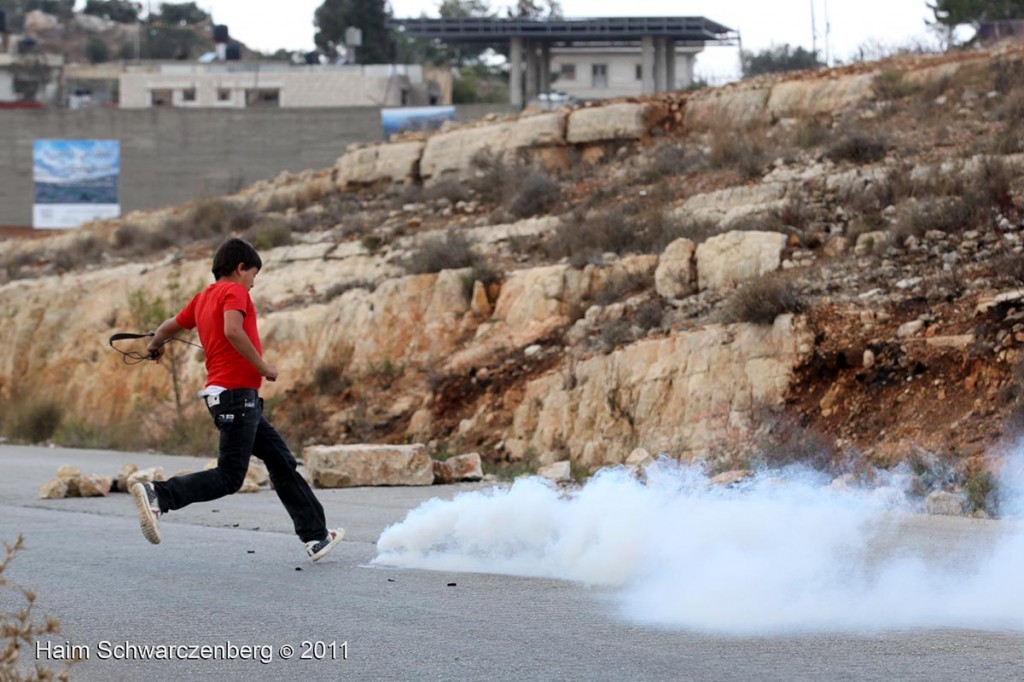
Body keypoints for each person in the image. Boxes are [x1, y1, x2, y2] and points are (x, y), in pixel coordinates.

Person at [130, 237, 343, 562]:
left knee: (281, 461)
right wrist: (263, 367)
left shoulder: (202, 298)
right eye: (253, 275)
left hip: (235, 399)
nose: (253, 284)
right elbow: (232, 330)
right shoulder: (234, 291)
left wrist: (156, 345)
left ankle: (316, 536)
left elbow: (168, 327)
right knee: (230, 477)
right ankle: (159, 494)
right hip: (235, 397)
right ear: (240, 267)